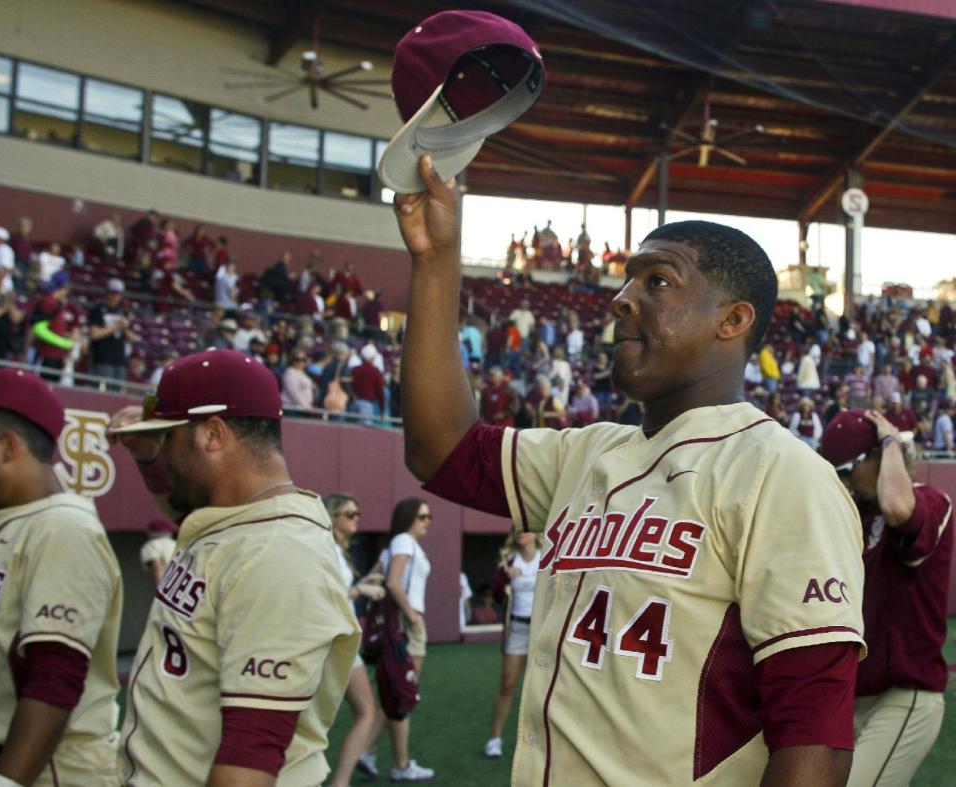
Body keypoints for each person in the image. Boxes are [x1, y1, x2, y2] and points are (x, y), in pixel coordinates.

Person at [390, 156, 865, 785]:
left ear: (733, 319)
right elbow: (440, 450)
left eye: (658, 281)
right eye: (627, 280)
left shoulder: (782, 474)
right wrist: (434, 260)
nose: (621, 299)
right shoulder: (585, 452)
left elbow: (815, 737)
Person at [106, 349, 359, 786]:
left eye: (171, 438)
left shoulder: (279, 555)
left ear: (212, 435)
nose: (167, 455)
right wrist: (149, 456)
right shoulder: (237, 517)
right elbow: (181, 505)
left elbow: (249, 758)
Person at [0, 369, 122, 785]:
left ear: (7, 448)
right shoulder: (12, 518)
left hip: (49, 770)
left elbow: (55, 681)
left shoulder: (63, 526)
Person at [820, 410, 953, 787]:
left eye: (848, 468)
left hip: (904, 696)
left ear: (878, 457)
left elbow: (897, 507)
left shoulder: (932, 500)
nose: (841, 479)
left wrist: (891, 440)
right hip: (851, 695)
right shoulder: (854, 512)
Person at [359, 498, 435, 783]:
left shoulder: (397, 543)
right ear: (408, 519)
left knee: (395, 694)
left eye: (428, 517)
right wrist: (412, 616)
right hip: (406, 623)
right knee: (403, 694)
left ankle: (366, 751)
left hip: (397, 623)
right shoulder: (404, 541)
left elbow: (374, 576)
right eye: (422, 517)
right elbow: (391, 581)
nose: (427, 521)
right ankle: (400, 765)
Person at [325, 494, 385, 787]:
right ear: (332, 517)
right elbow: (329, 595)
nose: (356, 518)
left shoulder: (334, 549)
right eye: (350, 514)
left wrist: (364, 584)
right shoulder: (329, 550)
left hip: (336, 641)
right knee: (366, 711)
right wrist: (363, 591)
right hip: (337, 641)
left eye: (358, 513)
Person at [484, 532, 542, 760]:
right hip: (517, 627)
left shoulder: (547, 557)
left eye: (526, 528)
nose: (521, 532)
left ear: (536, 533)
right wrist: (506, 578)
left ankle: (541, 742)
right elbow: (497, 594)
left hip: (541, 627)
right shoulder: (509, 561)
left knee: (541, 686)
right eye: (517, 528)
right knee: (507, 683)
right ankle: (494, 739)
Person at [89, 278, 139, 387]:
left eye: (118, 294)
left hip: (120, 359)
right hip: (102, 358)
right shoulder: (98, 309)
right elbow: (94, 334)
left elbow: (133, 338)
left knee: (117, 391)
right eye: (113, 293)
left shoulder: (123, 311)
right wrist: (115, 327)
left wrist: (124, 327)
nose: (115, 297)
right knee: (102, 389)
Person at [139, 517, 177, 586]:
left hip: (167, 586)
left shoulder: (151, 546)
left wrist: (160, 589)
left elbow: (157, 566)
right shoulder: (176, 544)